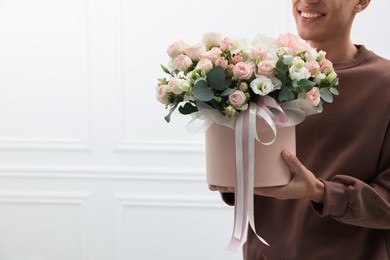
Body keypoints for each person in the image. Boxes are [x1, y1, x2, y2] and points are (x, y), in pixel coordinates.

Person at [210, 0, 390, 259]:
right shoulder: (257, 74)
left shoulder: (384, 84)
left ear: (361, 2)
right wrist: (232, 177)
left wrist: (319, 191)